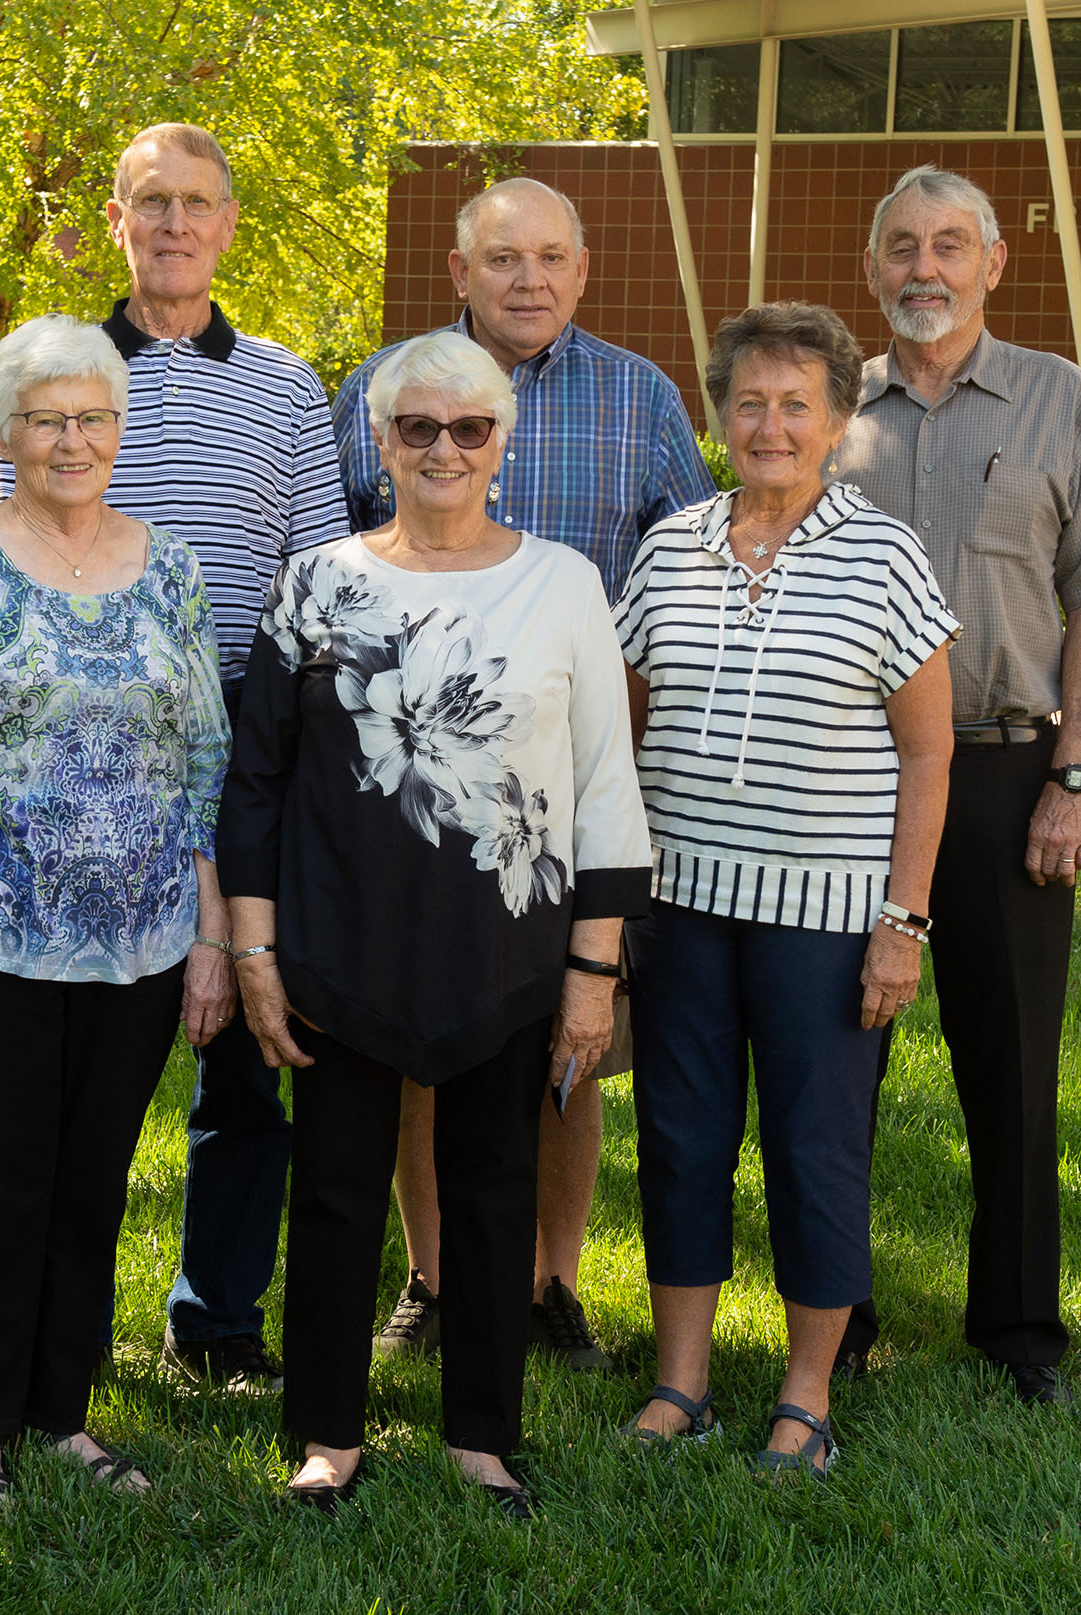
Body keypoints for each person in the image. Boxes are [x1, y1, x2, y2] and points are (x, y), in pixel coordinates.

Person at [220, 332, 651, 1517]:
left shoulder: (565, 580)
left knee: (494, 1186)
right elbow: (254, 781)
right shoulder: (312, 581)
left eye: (469, 428)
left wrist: (590, 972)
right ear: (380, 441)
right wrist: (253, 951)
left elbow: (605, 782)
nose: (443, 448)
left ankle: (482, 1437)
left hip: (506, 946)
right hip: (335, 949)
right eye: (417, 427)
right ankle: (326, 1437)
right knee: (336, 1193)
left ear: (502, 443)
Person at [0, 122, 350, 1393]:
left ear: (230, 222)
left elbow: (315, 583)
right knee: (58, 1064)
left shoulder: (289, 387)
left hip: (240, 745)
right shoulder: (59, 365)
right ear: (119, 217)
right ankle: (31, 1327)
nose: (177, 224)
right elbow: (2, 531)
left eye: (199, 202)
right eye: (155, 201)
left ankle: (217, 1317)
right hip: (65, 756)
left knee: (248, 1043)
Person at [332, 176, 717, 1372]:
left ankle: (550, 1277)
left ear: (584, 268)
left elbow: (689, 571)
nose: (529, 279)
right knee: (411, 1040)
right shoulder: (384, 389)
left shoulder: (640, 398)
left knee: (570, 1036)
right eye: (504, 258)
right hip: (412, 781)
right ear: (459, 270)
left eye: (551, 257)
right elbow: (348, 560)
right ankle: (434, 1275)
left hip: (568, 783)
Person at [0, 314, 234, 1516]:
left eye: (92, 418)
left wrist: (207, 939)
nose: (71, 440)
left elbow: (204, 762)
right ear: (9, 432)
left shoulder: (171, 565)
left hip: (136, 942)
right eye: (46, 419)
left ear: (118, 431)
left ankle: (62, 1413)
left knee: (90, 1184)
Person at [832, 165, 1081, 1404]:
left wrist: (1074, 775)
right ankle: (838, 1309)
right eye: (903, 246)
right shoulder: (828, 406)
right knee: (833, 1051)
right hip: (847, 774)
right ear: (873, 269)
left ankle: (1019, 1325)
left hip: (1008, 763)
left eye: (950, 245)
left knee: (1012, 1056)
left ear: (994, 261)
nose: (926, 268)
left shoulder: (1060, 401)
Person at [615, 304, 958, 1476]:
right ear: (719, 414)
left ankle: (805, 1395)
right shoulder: (668, 547)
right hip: (681, 906)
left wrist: (901, 924)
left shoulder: (884, 555)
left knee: (814, 1152)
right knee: (681, 1138)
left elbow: (927, 754)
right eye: (748, 402)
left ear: (838, 419)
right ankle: (681, 1382)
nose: (769, 425)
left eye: (795, 404)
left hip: (825, 920)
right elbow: (626, 729)